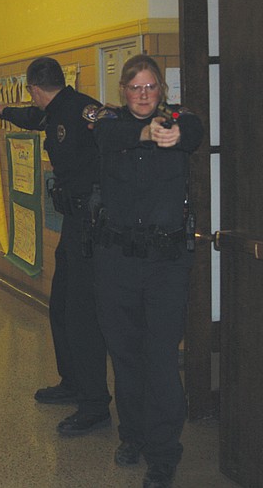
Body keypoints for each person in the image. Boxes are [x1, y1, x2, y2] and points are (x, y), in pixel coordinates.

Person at [91, 54, 203, 488]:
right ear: (123, 91)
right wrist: (144, 131)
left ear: (162, 91)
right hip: (116, 262)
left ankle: (163, 452)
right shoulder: (109, 123)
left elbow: (193, 130)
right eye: (135, 88)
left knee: (159, 359)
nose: (143, 95)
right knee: (125, 354)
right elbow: (109, 134)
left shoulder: (179, 123)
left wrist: (173, 131)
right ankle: (132, 436)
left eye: (150, 87)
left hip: (164, 266)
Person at [0, 57, 112, 436]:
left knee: (82, 315)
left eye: (30, 94)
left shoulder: (85, 111)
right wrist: (3, 111)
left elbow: (116, 142)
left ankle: (95, 404)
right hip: (74, 226)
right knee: (60, 305)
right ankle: (72, 381)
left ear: (35, 89)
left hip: (92, 227)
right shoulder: (55, 109)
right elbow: (31, 118)